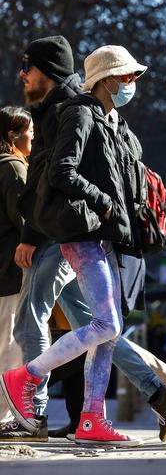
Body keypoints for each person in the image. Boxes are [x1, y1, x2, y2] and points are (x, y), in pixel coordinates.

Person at [6, 36, 166, 444]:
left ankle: (93, 416)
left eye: (133, 76)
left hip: (103, 234)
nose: (132, 83)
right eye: (126, 76)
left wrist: (130, 208)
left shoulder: (111, 120)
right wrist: (102, 203)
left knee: (106, 326)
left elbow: (112, 175)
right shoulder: (78, 113)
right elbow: (57, 174)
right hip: (78, 230)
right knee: (98, 323)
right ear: (107, 79)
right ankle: (27, 381)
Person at [0, 107, 31, 428]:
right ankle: (5, 417)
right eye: (30, 133)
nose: (33, 139)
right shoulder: (13, 170)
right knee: (10, 347)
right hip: (10, 272)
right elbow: (25, 223)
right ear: (13, 135)